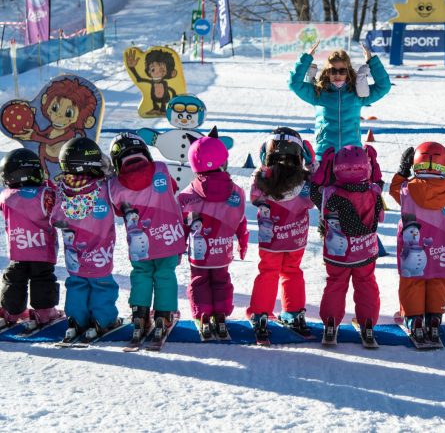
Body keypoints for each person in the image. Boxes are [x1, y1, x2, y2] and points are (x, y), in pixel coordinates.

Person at [108, 132, 185, 341]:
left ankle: (140, 314)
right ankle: (164, 315)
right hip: (169, 237)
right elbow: (174, 188)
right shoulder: (160, 169)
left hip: (139, 244)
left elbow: (117, 211)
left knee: (141, 274)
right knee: (165, 274)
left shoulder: (114, 184)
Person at [389, 142, 445, 344]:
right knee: (438, 280)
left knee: (412, 281)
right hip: (441, 248)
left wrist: (402, 170)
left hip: (411, 249)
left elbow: (393, 189)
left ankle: (414, 319)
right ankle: (434, 317)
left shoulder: (407, 190)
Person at [177, 127, 248, 339]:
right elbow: (241, 221)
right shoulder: (236, 192)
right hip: (222, 250)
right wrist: (242, 243)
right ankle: (220, 316)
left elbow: (181, 226)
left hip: (199, 255)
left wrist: (178, 249)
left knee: (199, 281)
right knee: (221, 280)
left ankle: (204, 316)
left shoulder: (187, 195)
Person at [310, 145, 384, 344]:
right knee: (366, 283)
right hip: (365, 252)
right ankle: (367, 324)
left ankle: (331, 323)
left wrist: (324, 165)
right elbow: (378, 181)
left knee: (335, 284)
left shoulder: (329, 194)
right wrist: (374, 161)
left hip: (337, 254)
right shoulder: (373, 192)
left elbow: (313, 190)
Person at [247, 127, 315, 340]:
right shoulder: (305, 182)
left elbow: (254, 198)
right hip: (296, 240)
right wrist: (311, 165)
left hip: (271, 241)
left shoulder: (261, 179)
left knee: (268, 272)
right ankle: (294, 313)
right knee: (292, 271)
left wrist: (263, 167)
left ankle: (260, 314)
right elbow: (314, 199)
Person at [50, 137, 119, 341]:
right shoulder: (104, 188)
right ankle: (103, 320)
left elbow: (55, 218)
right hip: (100, 253)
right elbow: (118, 189)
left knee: (76, 285)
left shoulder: (61, 189)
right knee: (102, 285)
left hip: (75, 255)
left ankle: (76, 321)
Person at [288, 41, 391, 156]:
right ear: (327, 72)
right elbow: (294, 84)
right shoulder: (318, 93)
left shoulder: (357, 94)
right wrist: (306, 58)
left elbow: (384, 86)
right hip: (324, 154)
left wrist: (371, 61)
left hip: (352, 155)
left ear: (348, 72)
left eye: (342, 71)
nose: (337, 75)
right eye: (333, 71)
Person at [0, 148, 60, 330]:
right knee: (42, 279)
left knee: (14, 280)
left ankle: (11, 311)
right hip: (42, 250)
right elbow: (57, 208)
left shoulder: (5, 196)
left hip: (18, 250)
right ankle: (44, 312)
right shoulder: (46, 194)